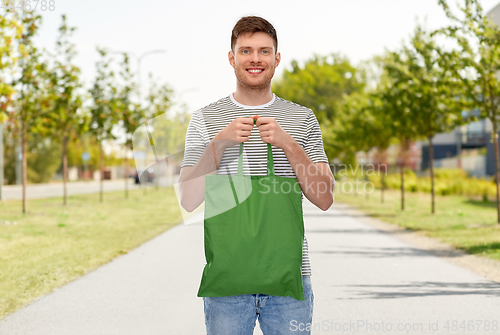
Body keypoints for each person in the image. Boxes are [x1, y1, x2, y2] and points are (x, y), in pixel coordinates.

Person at [178, 16, 335, 335]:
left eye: (264, 51)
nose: (255, 59)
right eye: (246, 50)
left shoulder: (301, 119)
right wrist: (219, 143)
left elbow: (324, 198)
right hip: (227, 284)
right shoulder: (205, 119)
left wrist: (288, 144)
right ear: (231, 57)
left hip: (289, 281)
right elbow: (189, 199)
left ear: (276, 59)